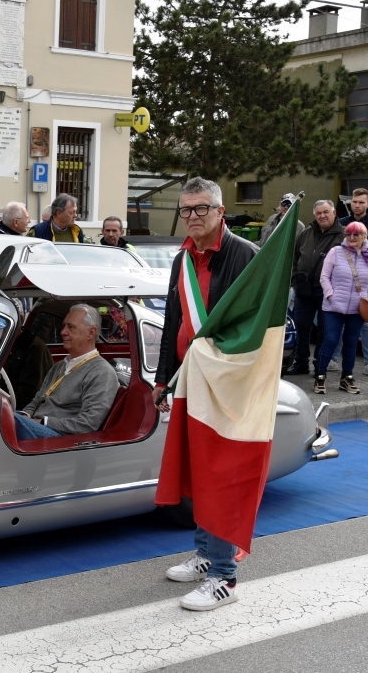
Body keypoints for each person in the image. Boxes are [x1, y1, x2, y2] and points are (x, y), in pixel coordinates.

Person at [150, 177, 257, 611]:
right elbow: (174, 320)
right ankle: (206, 553)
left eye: (201, 209)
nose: (192, 217)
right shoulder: (182, 260)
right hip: (190, 379)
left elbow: (257, 328)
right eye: (186, 210)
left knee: (219, 475)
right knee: (196, 471)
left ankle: (224, 576)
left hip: (227, 384)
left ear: (220, 210)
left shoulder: (246, 256)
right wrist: (163, 378)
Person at [13, 304, 119, 440]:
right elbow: (37, 400)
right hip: (40, 427)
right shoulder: (59, 366)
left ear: (91, 333)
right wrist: (25, 416)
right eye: (64, 326)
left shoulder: (102, 372)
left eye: (71, 327)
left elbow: (88, 424)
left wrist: (41, 421)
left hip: (61, 438)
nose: (63, 332)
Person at [314, 221, 368, 395]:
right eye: (348, 234)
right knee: (330, 340)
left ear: (364, 237)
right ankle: (320, 375)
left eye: (356, 234)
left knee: (351, 343)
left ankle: (347, 377)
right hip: (333, 307)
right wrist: (330, 295)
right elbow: (324, 276)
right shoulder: (335, 252)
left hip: (357, 308)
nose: (351, 237)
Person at [285, 200, 345, 375]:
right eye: (318, 213)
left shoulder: (343, 235)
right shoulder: (305, 234)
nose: (322, 216)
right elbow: (294, 259)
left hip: (329, 292)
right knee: (301, 328)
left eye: (326, 212)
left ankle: (321, 364)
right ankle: (301, 363)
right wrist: (295, 279)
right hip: (304, 289)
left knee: (325, 331)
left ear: (334, 213)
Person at [339, 188, 368, 379]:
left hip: (365, 281)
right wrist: (364, 240)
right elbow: (339, 249)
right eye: (354, 201)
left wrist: (362, 242)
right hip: (343, 279)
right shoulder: (342, 222)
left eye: (361, 202)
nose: (357, 205)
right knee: (341, 323)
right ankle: (334, 359)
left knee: (367, 324)